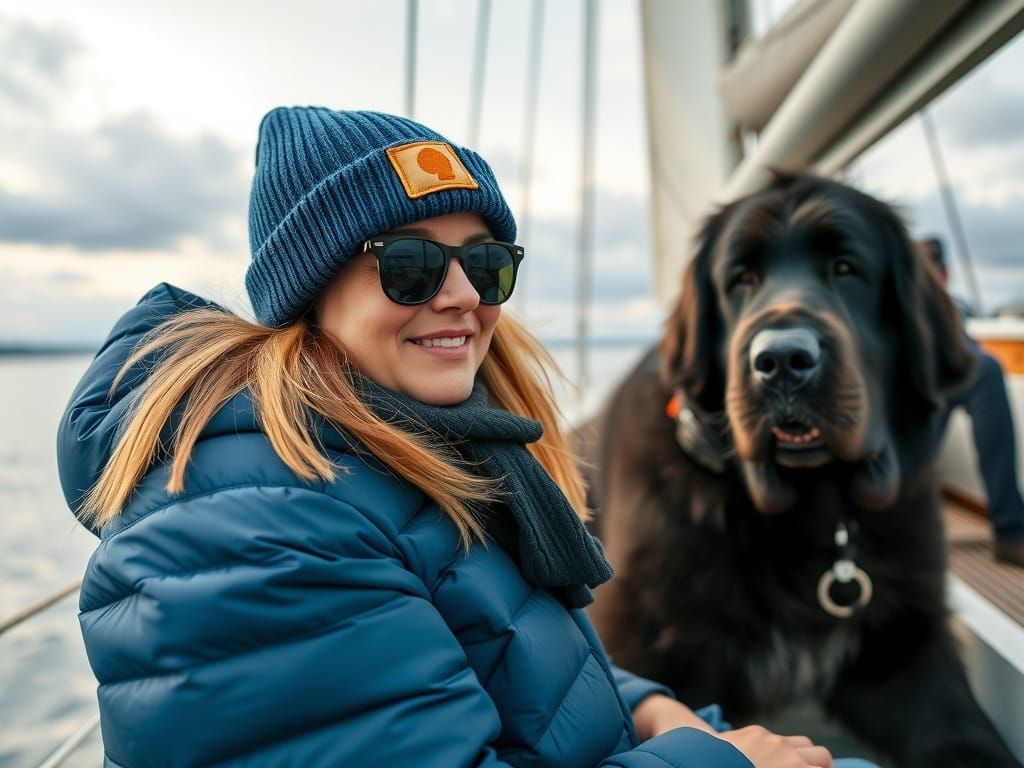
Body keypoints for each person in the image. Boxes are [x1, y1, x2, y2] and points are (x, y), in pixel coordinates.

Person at [57, 106, 878, 767]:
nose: (462, 296)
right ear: (310, 295)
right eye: (410, 266)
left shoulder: (427, 450)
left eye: (486, 266)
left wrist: (651, 708)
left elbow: (512, 671)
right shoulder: (254, 521)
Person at [918, 237, 1024, 567]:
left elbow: (966, 354)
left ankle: (1011, 530)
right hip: (901, 396)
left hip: (940, 384)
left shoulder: (954, 311)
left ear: (944, 276)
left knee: (986, 370)